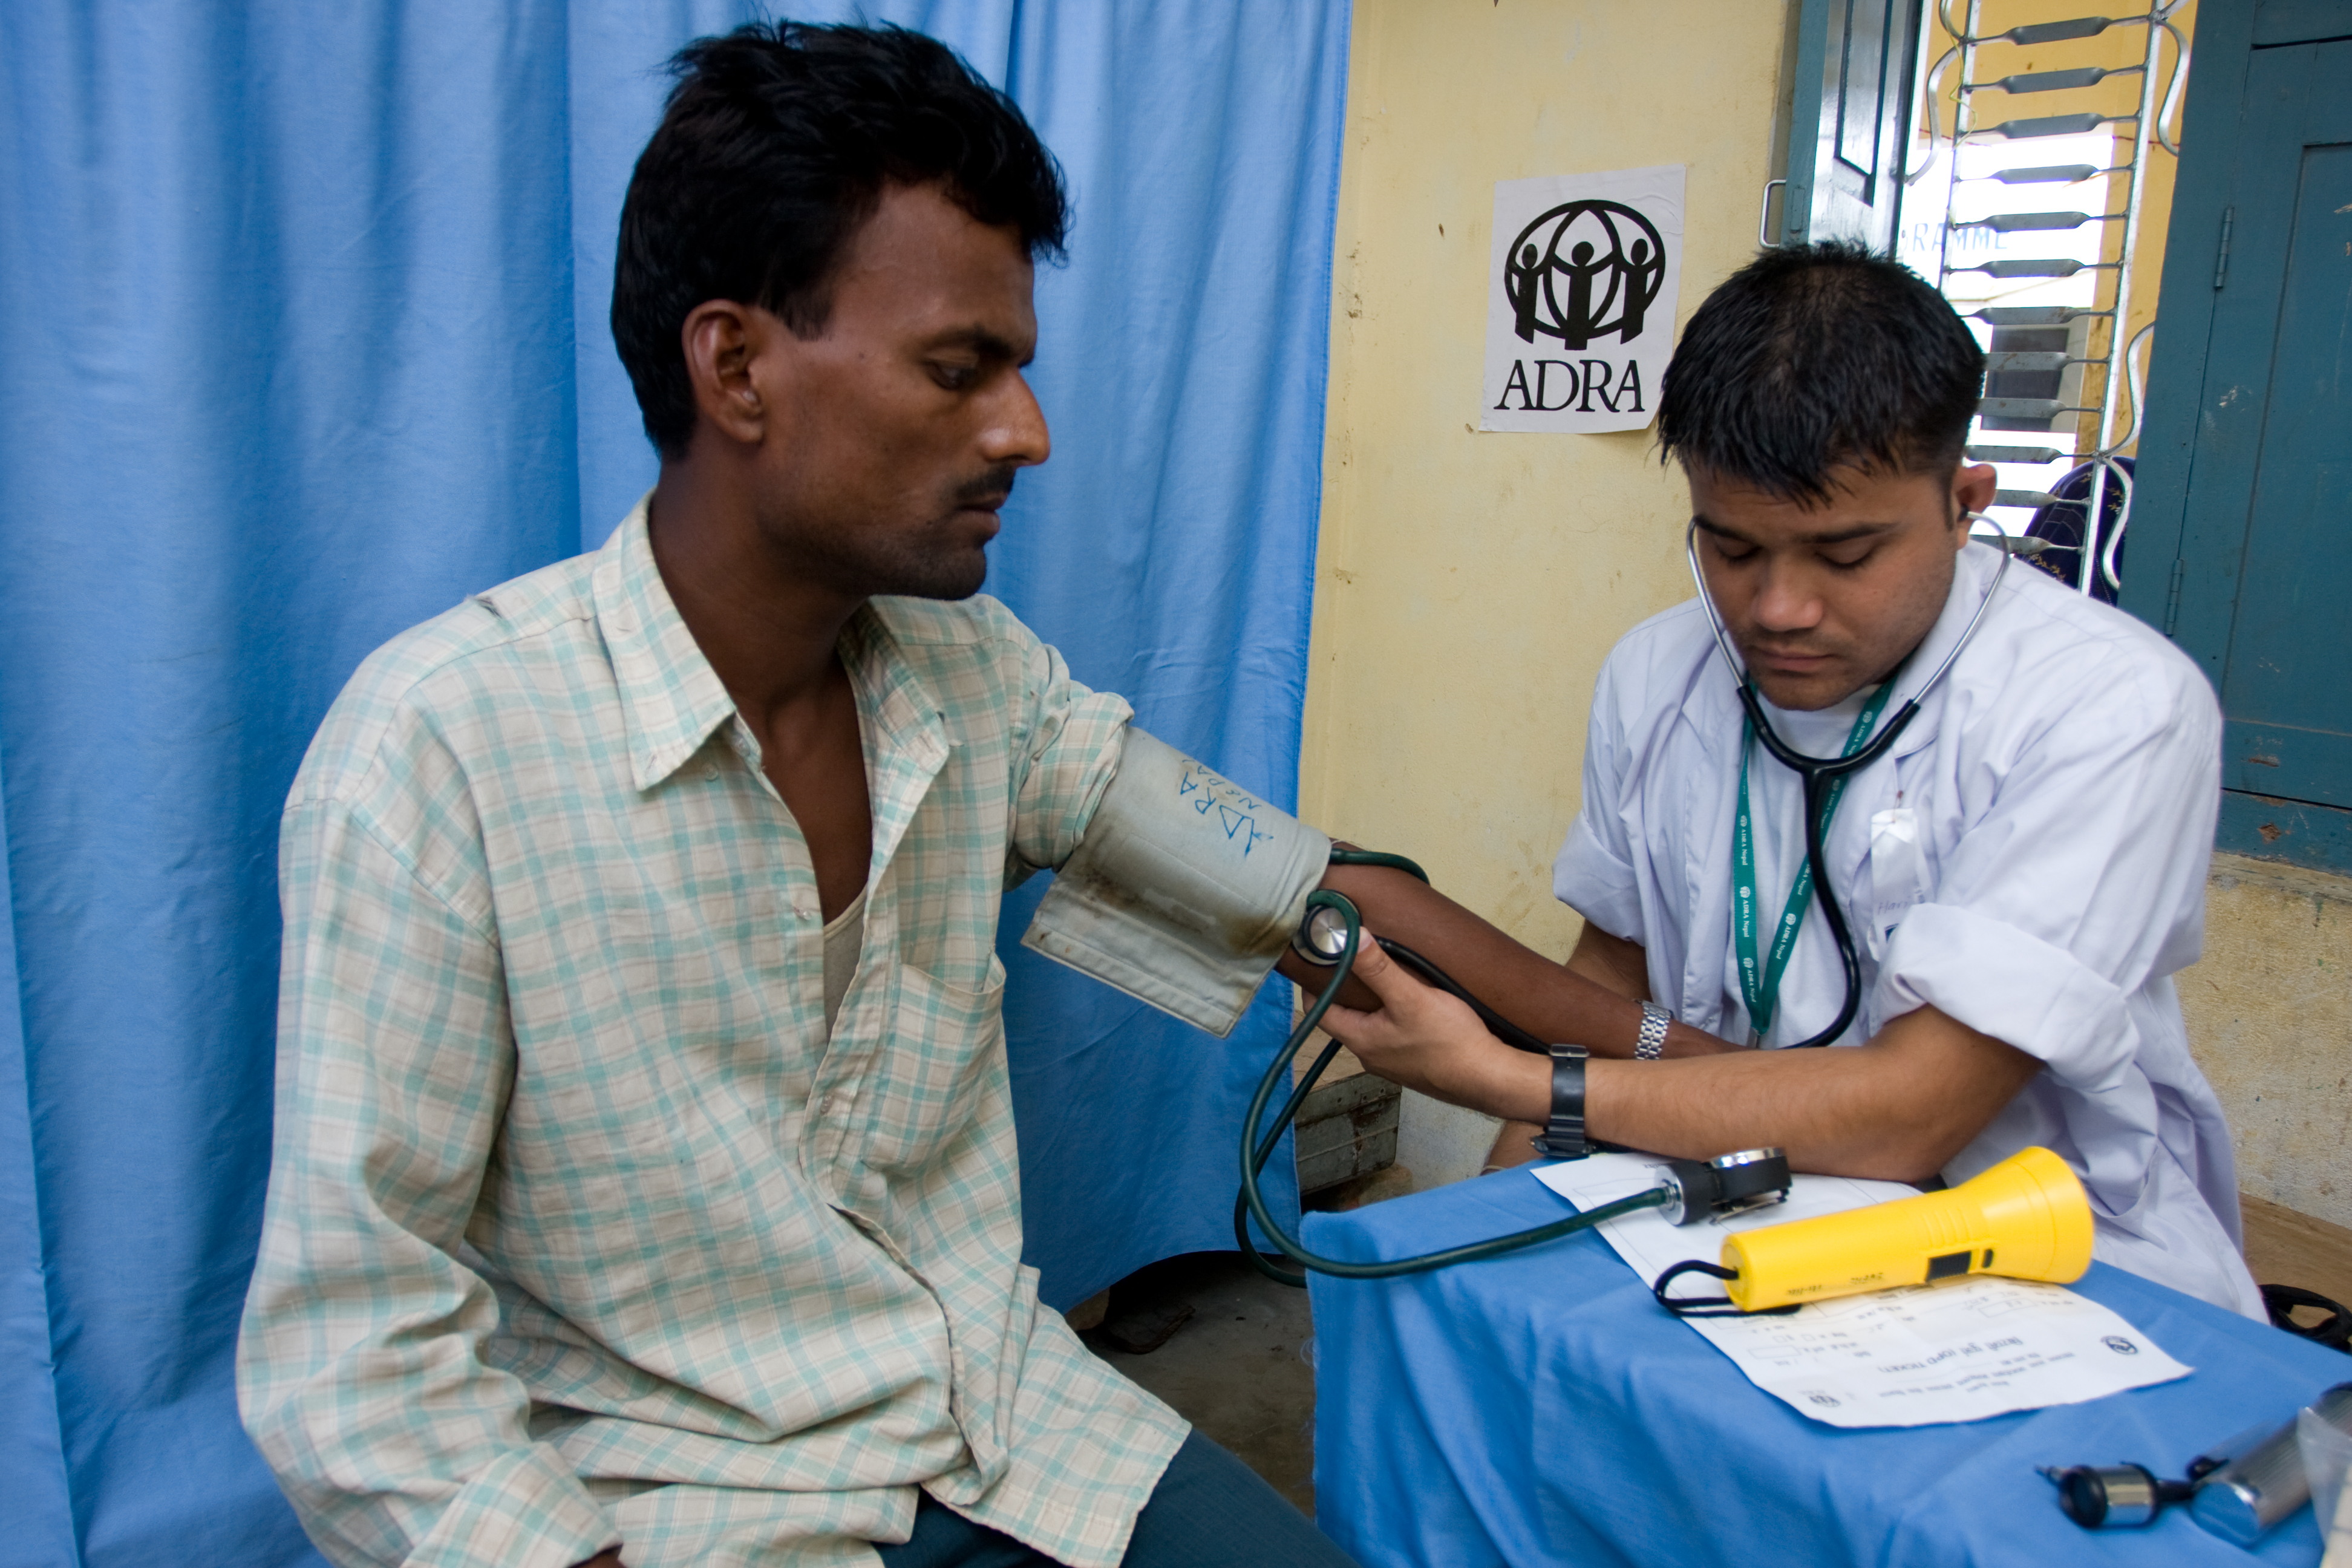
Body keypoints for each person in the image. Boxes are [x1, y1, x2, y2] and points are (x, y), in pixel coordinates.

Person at [236, 24, 1361, 1568]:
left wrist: (1630, 1066)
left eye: (1021, 369)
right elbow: (354, 1357)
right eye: (962, 370)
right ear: (737, 364)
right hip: (675, 1500)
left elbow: (1286, 889)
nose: (1024, 432)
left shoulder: (976, 679)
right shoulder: (443, 752)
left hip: (1005, 1430)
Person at [1310, 242, 2264, 1320]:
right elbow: (1608, 980)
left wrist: (1510, 1082)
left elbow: (1913, 1118)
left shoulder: (2110, 707)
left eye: (1845, 556)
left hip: (2035, 1258)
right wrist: (1497, 1224)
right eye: (1730, 550)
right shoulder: (1657, 674)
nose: (1777, 610)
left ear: (1965, 500)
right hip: (1723, 1206)